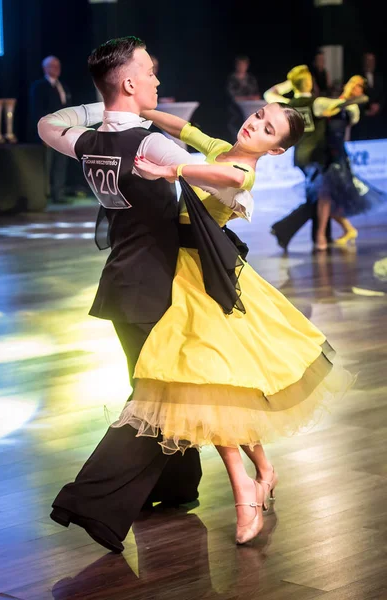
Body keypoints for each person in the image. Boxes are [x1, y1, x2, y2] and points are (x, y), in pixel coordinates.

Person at [111, 103, 353, 544]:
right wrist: (145, 110)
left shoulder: (244, 172)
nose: (255, 124)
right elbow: (185, 128)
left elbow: (222, 179)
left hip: (208, 284)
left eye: (267, 128)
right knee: (219, 390)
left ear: (275, 150)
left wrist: (171, 172)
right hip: (179, 275)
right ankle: (263, 471)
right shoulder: (222, 148)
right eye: (259, 114)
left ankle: (245, 491)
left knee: (210, 385)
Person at [38, 36, 206, 554]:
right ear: (131, 82)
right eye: (149, 73)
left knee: (162, 387)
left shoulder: (90, 143)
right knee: (162, 395)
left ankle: (175, 487)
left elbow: (48, 124)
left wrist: (102, 103)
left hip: (123, 284)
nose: (158, 81)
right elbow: (221, 181)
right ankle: (90, 501)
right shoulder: (150, 144)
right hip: (152, 287)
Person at [263, 64, 347, 251]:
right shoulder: (316, 103)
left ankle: (318, 235)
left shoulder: (289, 105)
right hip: (317, 156)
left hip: (300, 156)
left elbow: (269, 94)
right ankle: (290, 231)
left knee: (318, 197)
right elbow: (339, 104)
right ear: (309, 82)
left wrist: (289, 84)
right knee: (320, 196)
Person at [315, 75, 386, 248]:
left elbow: (344, 128)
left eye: (360, 87)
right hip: (326, 152)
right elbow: (323, 113)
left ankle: (322, 236)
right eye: (356, 84)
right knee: (328, 196)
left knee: (327, 196)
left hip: (337, 154)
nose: (357, 88)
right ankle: (346, 229)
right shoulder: (333, 101)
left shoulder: (352, 108)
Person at [30, 56, 72, 204]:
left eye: (57, 66)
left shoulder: (63, 86)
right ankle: (43, 195)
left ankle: (58, 193)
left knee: (61, 163)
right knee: (47, 164)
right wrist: (43, 134)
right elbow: (38, 111)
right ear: (45, 68)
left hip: (63, 132)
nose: (56, 69)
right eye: (52, 66)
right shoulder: (39, 86)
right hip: (48, 132)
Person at [352, 52, 385, 140]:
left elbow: (383, 94)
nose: (370, 63)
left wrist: (378, 106)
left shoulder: (379, 78)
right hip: (364, 115)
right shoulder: (357, 77)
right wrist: (368, 108)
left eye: (372, 61)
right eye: (368, 60)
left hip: (379, 114)